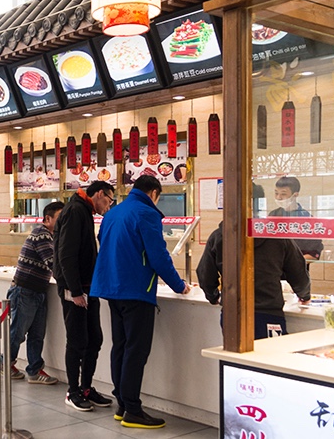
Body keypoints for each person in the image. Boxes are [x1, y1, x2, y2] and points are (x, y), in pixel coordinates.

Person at [91, 175, 190, 429]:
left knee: (120, 347)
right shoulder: (146, 213)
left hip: (112, 287)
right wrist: (179, 285)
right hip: (136, 289)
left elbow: (104, 241)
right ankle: (133, 410)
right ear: (154, 193)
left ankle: (122, 405)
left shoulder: (113, 213)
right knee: (136, 351)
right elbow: (158, 256)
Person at [52, 180, 115, 412]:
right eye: (108, 201)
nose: (108, 206)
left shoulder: (85, 210)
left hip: (90, 287)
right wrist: (75, 291)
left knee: (94, 339)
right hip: (75, 289)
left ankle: (86, 387)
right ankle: (73, 391)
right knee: (77, 341)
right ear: (99, 194)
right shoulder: (75, 210)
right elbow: (66, 255)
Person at [196, 221, 311, 339]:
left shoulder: (219, 237)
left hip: (232, 314)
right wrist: (304, 295)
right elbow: (298, 273)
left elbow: (205, 275)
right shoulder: (278, 237)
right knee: (269, 351)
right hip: (268, 312)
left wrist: (214, 297)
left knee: (233, 351)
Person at [6, 201, 65, 385]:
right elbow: (53, 263)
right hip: (25, 290)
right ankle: (5, 364)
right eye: (60, 217)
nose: (63, 221)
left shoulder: (52, 236)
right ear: (47, 219)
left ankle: (34, 370)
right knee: (17, 333)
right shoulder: (42, 234)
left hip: (38, 290)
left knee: (37, 335)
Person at [268, 176, 323, 261]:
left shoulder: (307, 219)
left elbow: (314, 254)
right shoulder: (272, 216)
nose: (278, 197)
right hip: (275, 266)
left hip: (297, 267)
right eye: (276, 193)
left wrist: (293, 263)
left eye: (283, 194)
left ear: (295, 195)